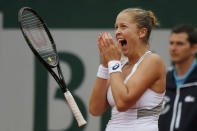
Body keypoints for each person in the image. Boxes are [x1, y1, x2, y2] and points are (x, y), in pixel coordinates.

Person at [89, 8, 166, 131]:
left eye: (123, 27)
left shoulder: (153, 61)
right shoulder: (119, 66)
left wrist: (113, 62)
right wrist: (104, 65)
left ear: (142, 32)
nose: (117, 32)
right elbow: (95, 109)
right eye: (116, 27)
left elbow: (122, 103)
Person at [158, 24, 197, 131]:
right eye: (171, 43)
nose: (173, 48)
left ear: (194, 48)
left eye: (180, 44)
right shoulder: (162, 80)